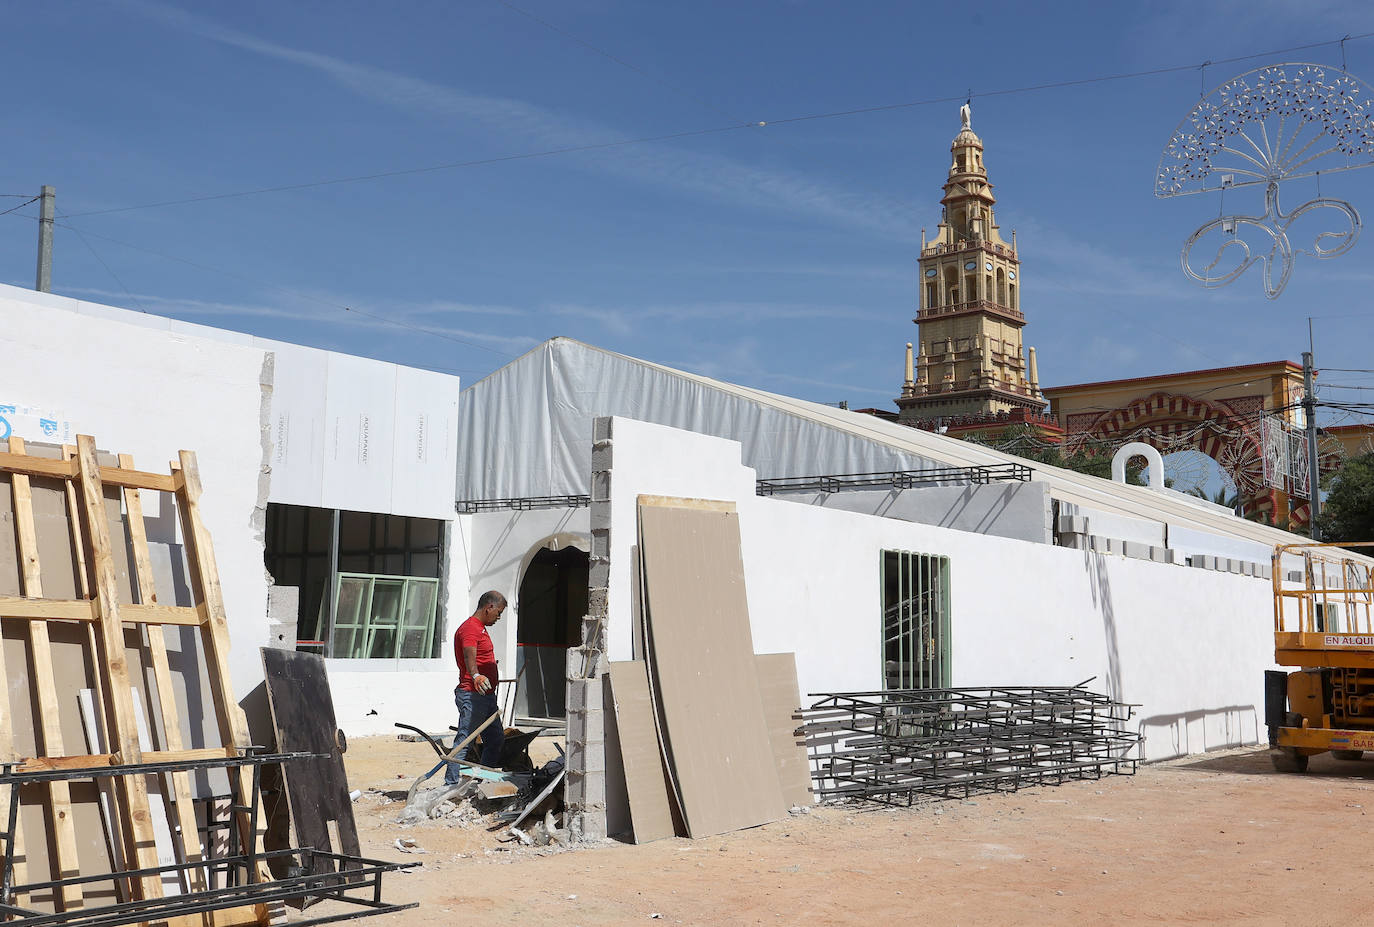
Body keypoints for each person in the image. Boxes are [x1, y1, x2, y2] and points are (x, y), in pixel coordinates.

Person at [444, 591, 507, 784]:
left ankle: (481, 778)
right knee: (465, 741)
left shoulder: (480, 628)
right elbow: (468, 652)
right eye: (499, 612)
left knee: (495, 739)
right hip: (473, 695)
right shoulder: (471, 627)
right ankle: (451, 784)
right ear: (489, 607)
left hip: (486, 697)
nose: (499, 617)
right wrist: (476, 675)